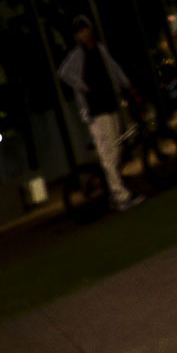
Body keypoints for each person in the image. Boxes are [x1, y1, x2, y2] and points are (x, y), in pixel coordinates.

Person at [57, 17, 143, 210]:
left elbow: (113, 67)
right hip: (95, 111)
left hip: (110, 104)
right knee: (108, 154)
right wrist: (84, 87)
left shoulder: (100, 49)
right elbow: (64, 73)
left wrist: (126, 84)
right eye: (80, 32)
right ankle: (121, 197)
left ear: (91, 29)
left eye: (85, 29)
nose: (84, 34)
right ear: (76, 37)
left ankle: (114, 192)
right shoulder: (78, 55)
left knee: (116, 150)